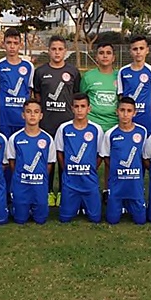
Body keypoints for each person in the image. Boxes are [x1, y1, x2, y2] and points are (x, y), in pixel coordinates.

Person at [33, 35, 81, 207]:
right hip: (47, 124)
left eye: (60, 49)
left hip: (66, 124)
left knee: (64, 160)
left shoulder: (73, 72)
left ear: (65, 51)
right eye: (53, 49)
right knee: (46, 161)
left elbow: (75, 96)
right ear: (48, 51)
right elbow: (37, 96)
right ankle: (46, 192)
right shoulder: (40, 72)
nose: (57, 52)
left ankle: (62, 191)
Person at [54, 93, 104, 223]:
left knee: (95, 218)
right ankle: (75, 205)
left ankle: (85, 205)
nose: (79, 110)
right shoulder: (64, 128)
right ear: (72, 108)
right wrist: (66, 168)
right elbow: (59, 152)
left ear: (89, 109)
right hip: (70, 182)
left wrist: (92, 168)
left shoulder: (96, 129)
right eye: (76, 106)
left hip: (89, 182)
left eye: (83, 106)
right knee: (65, 218)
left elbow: (100, 154)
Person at [5, 99, 56, 224]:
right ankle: (17, 203)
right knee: (20, 219)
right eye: (28, 112)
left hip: (39, 186)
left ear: (41, 116)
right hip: (21, 185)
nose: (32, 115)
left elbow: (49, 164)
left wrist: (39, 177)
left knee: (41, 219)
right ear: (23, 115)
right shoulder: (15, 138)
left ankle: (36, 204)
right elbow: (12, 162)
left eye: (36, 112)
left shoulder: (48, 139)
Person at [100, 97, 148, 225]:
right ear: (117, 112)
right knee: (112, 220)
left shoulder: (142, 132)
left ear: (134, 113)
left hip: (135, 184)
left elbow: (145, 156)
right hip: (117, 185)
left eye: (129, 111)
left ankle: (135, 201)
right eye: (122, 110)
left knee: (140, 220)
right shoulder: (110, 134)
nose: (125, 114)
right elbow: (106, 157)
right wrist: (117, 169)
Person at [0, 28, 34, 138]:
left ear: (20, 45)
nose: (12, 46)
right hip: (5, 119)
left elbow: (29, 90)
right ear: (3, 44)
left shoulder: (29, 66)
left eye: (15, 43)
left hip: (22, 119)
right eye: (9, 43)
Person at [118, 35, 151, 134]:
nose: (138, 52)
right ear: (130, 51)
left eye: (141, 48)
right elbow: (121, 96)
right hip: (128, 118)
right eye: (135, 49)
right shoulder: (123, 71)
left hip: (145, 119)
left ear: (147, 50)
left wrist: (149, 113)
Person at [82, 42, 119, 131]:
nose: (105, 56)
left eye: (108, 53)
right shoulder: (88, 76)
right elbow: (81, 98)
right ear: (96, 57)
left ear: (113, 58)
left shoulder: (120, 76)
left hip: (114, 125)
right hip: (92, 125)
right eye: (101, 53)